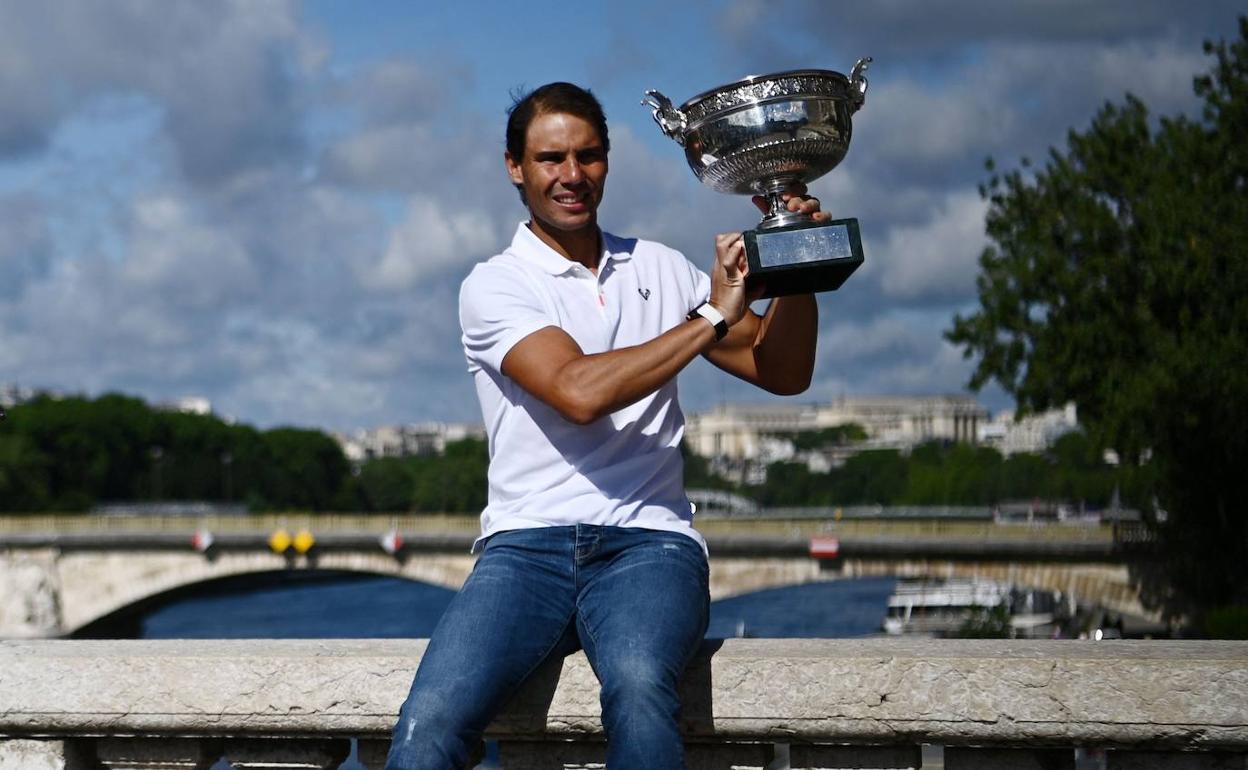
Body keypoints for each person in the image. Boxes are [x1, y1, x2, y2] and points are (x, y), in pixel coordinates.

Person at [384, 82, 826, 770]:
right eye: (550, 158)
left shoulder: (660, 268)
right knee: (428, 724)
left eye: (587, 157)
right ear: (515, 167)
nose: (570, 176)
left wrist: (796, 260)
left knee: (641, 689)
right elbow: (577, 391)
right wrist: (710, 317)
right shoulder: (496, 284)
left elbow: (784, 371)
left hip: (649, 546)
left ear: (607, 163)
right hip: (524, 549)